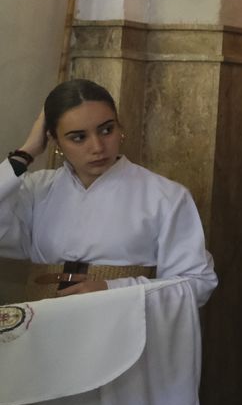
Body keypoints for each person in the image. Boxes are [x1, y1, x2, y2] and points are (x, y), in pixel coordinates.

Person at [2, 78, 217, 304]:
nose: (97, 147)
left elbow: (197, 281)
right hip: (44, 328)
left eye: (106, 130)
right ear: (55, 141)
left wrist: (113, 288)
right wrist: (25, 153)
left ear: (120, 128)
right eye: (78, 137)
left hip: (123, 330)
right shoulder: (37, 190)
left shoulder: (164, 196)